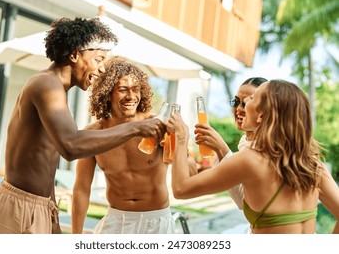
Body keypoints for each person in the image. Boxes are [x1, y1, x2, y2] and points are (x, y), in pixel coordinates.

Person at [0, 18, 166, 234]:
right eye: (98, 59)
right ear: (75, 54)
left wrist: (52, 216)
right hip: (15, 208)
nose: (102, 69)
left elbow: (45, 161)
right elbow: (70, 146)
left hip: (39, 207)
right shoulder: (46, 84)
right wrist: (136, 128)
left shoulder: (57, 90)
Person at [168, 80, 339, 234]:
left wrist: (181, 138)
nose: (243, 104)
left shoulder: (250, 160)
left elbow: (181, 189)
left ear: (261, 116)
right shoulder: (312, 165)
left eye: (253, 98)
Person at [71, 56, 197, 234]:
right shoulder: (93, 134)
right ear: (107, 92)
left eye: (135, 89)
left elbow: (190, 172)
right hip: (116, 221)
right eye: (123, 89)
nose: (131, 96)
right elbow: (81, 189)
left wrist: (178, 146)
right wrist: (75, 236)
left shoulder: (160, 126)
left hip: (156, 222)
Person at [194, 77, 267, 208]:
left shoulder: (268, 149)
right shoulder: (245, 143)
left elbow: (245, 203)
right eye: (236, 102)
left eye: (246, 103)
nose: (239, 109)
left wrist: (223, 150)